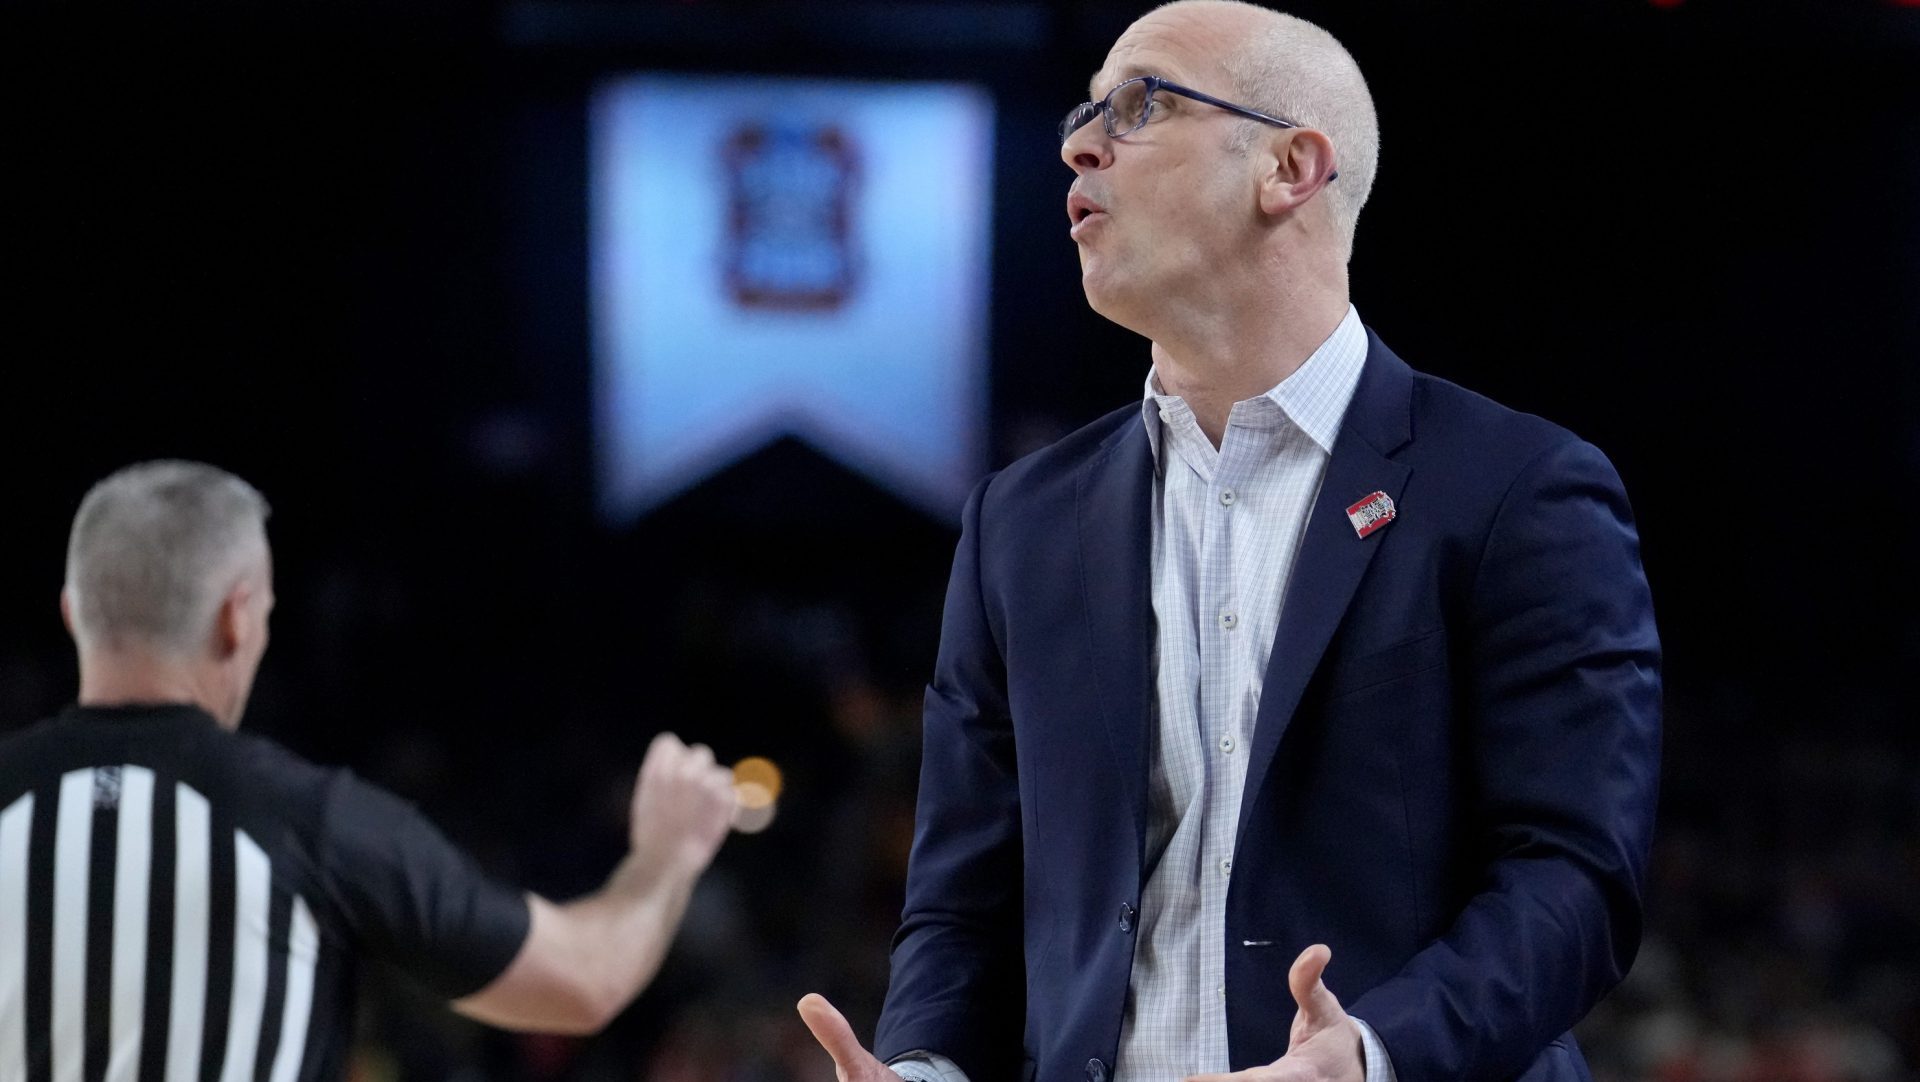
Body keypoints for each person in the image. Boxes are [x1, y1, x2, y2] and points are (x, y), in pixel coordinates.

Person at [797, 2, 1661, 1081]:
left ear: (1291, 167)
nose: (1080, 141)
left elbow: (1576, 872)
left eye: (1143, 102)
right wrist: (925, 1064)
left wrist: (1376, 1051)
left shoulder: (1518, 489)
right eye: (1084, 110)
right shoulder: (1019, 522)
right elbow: (962, 902)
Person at [0, 460, 739, 1082]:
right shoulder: (311, 820)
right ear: (237, 616)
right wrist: (665, 855)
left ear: (74, 614)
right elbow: (585, 979)